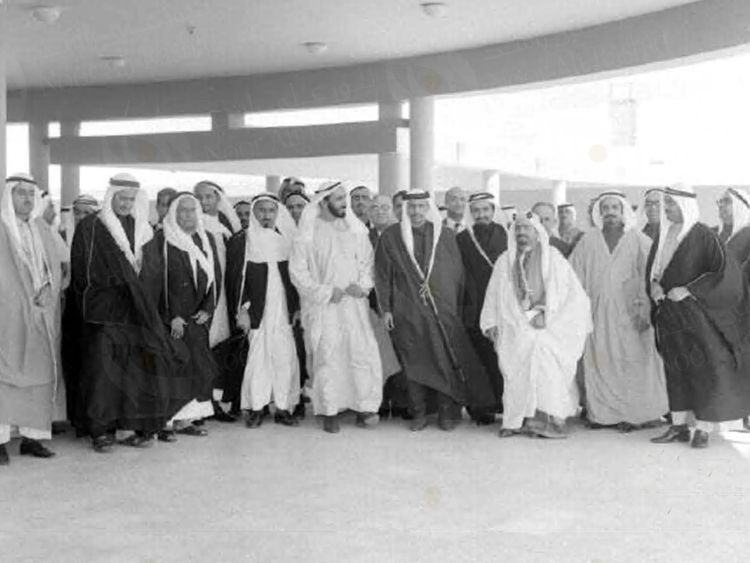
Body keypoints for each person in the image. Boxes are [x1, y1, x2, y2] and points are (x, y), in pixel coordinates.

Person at [70, 173, 182, 452]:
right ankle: (99, 430)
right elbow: (83, 272)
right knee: (102, 373)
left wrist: (139, 288)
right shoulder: (91, 228)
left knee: (134, 372)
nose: (126, 203)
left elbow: (154, 270)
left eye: (131, 199)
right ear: (111, 197)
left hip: (137, 312)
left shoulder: (142, 229)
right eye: (121, 198)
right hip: (106, 312)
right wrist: (123, 281)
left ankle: (130, 426)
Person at [375, 189, 497, 432]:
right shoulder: (390, 236)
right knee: (414, 361)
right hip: (407, 311)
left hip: (442, 311)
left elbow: (456, 274)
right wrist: (386, 309)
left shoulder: (445, 234)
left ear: (428, 207)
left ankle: (446, 412)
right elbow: (383, 275)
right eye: (412, 207)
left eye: (421, 206)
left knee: (444, 360)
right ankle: (419, 412)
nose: (417, 211)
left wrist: (448, 302)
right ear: (405, 209)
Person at [648, 185, 750, 449]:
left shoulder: (703, 235)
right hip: (669, 314)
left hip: (697, 315)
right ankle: (679, 426)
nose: (666, 208)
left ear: (684, 205)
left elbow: (726, 274)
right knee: (676, 368)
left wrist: (690, 290)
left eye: (670, 203)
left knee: (704, 369)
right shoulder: (665, 233)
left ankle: (703, 428)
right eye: (665, 203)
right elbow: (656, 269)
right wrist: (654, 285)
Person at [480, 211, 592, 438]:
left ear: (537, 232)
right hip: (515, 327)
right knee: (517, 374)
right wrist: (491, 322)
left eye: (526, 228)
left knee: (546, 368)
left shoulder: (553, 257)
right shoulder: (505, 260)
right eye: (518, 229)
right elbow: (493, 293)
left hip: (549, 326)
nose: (522, 233)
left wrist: (545, 314)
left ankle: (552, 421)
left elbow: (572, 294)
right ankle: (517, 421)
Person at [570, 191, 668, 431]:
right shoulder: (588, 240)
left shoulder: (637, 238)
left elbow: (655, 269)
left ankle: (638, 416)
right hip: (598, 314)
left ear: (623, 210)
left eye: (615, 207)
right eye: (606, 208)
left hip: (631, 313)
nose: (611, 211)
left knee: (633, 362)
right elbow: (572, 276)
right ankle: (603, 415)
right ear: (599, 212)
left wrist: (645, 303)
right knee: (601, 361)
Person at [289, 181, 383, 433]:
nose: (345, 203)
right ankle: (330, 410)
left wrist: (362, 285)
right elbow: (298, 273)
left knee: (360, 353)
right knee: (328, 356)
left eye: (344, 198)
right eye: (340, 198)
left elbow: (368, 264)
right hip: (324, 307)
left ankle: (364, 407)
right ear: (324, 201)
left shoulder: (356, 229)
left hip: (354, 305)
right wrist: (326, 292)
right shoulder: (307, 232)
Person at [142, 192, 222, 440]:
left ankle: (185, 420)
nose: (188, 215)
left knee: (197, 367)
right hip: (171, 321)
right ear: (174, 213)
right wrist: (170, 317)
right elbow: (152, 283)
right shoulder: (161, 241)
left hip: (197, 319)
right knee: (172, 369)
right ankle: (165, 423)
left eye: (191, 210)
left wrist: (208, 308)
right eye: (182, 211)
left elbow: (214, 278)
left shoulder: (205, 239)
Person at [0, 174, 62, 465]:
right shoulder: (1, 227)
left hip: (40, 313)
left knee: (39, 373)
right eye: (20, 193)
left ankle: (32, 437)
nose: (26, 198)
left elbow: (53, 267)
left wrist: (47, 289)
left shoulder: (41, 228)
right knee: (5, 374)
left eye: (30, 193)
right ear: (8, 196)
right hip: (7, 314)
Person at [227, 194, 302, 428]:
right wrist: (242, 310)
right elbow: (234, 281)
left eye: (271, 210)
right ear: (253, 213)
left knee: (284, 359)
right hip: (256, 312)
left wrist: (297, 307)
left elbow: (297, 278)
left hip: (283, 312)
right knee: (257, 360)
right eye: (261, 210)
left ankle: (282, 408)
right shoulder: (242, 241)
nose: (266, 215)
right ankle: (257, 408)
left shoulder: (287, 240)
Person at [456, 192, 508, 424]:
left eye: (486, 210)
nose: (481, 215)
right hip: (474, 305)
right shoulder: (462, 239)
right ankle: (482, 407)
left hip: (504, 304)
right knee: (480, 359)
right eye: (476, 211)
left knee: (504, 356)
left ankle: (508, 404)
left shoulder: (508, 234)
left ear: (493, 210)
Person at [192, 180, 241, 421]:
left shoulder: (227, 224)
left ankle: (218, 402)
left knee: (221, 348)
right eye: (199, 197)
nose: (204, 202)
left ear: (217, 198)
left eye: (208, 197)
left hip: (225, 294)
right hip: (202, 295)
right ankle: (200, 405)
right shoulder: (191, 224)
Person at [364, 194, 405, 419]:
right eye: (375, 207)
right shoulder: (362, 236)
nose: (380, 211)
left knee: (400, 352)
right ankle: (378, 400)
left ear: (393, 211)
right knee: (375, 353)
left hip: (399, 303)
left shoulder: (402, 235)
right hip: (369, 304)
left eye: (385, 207)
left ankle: (400, 402)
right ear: (369, 212)